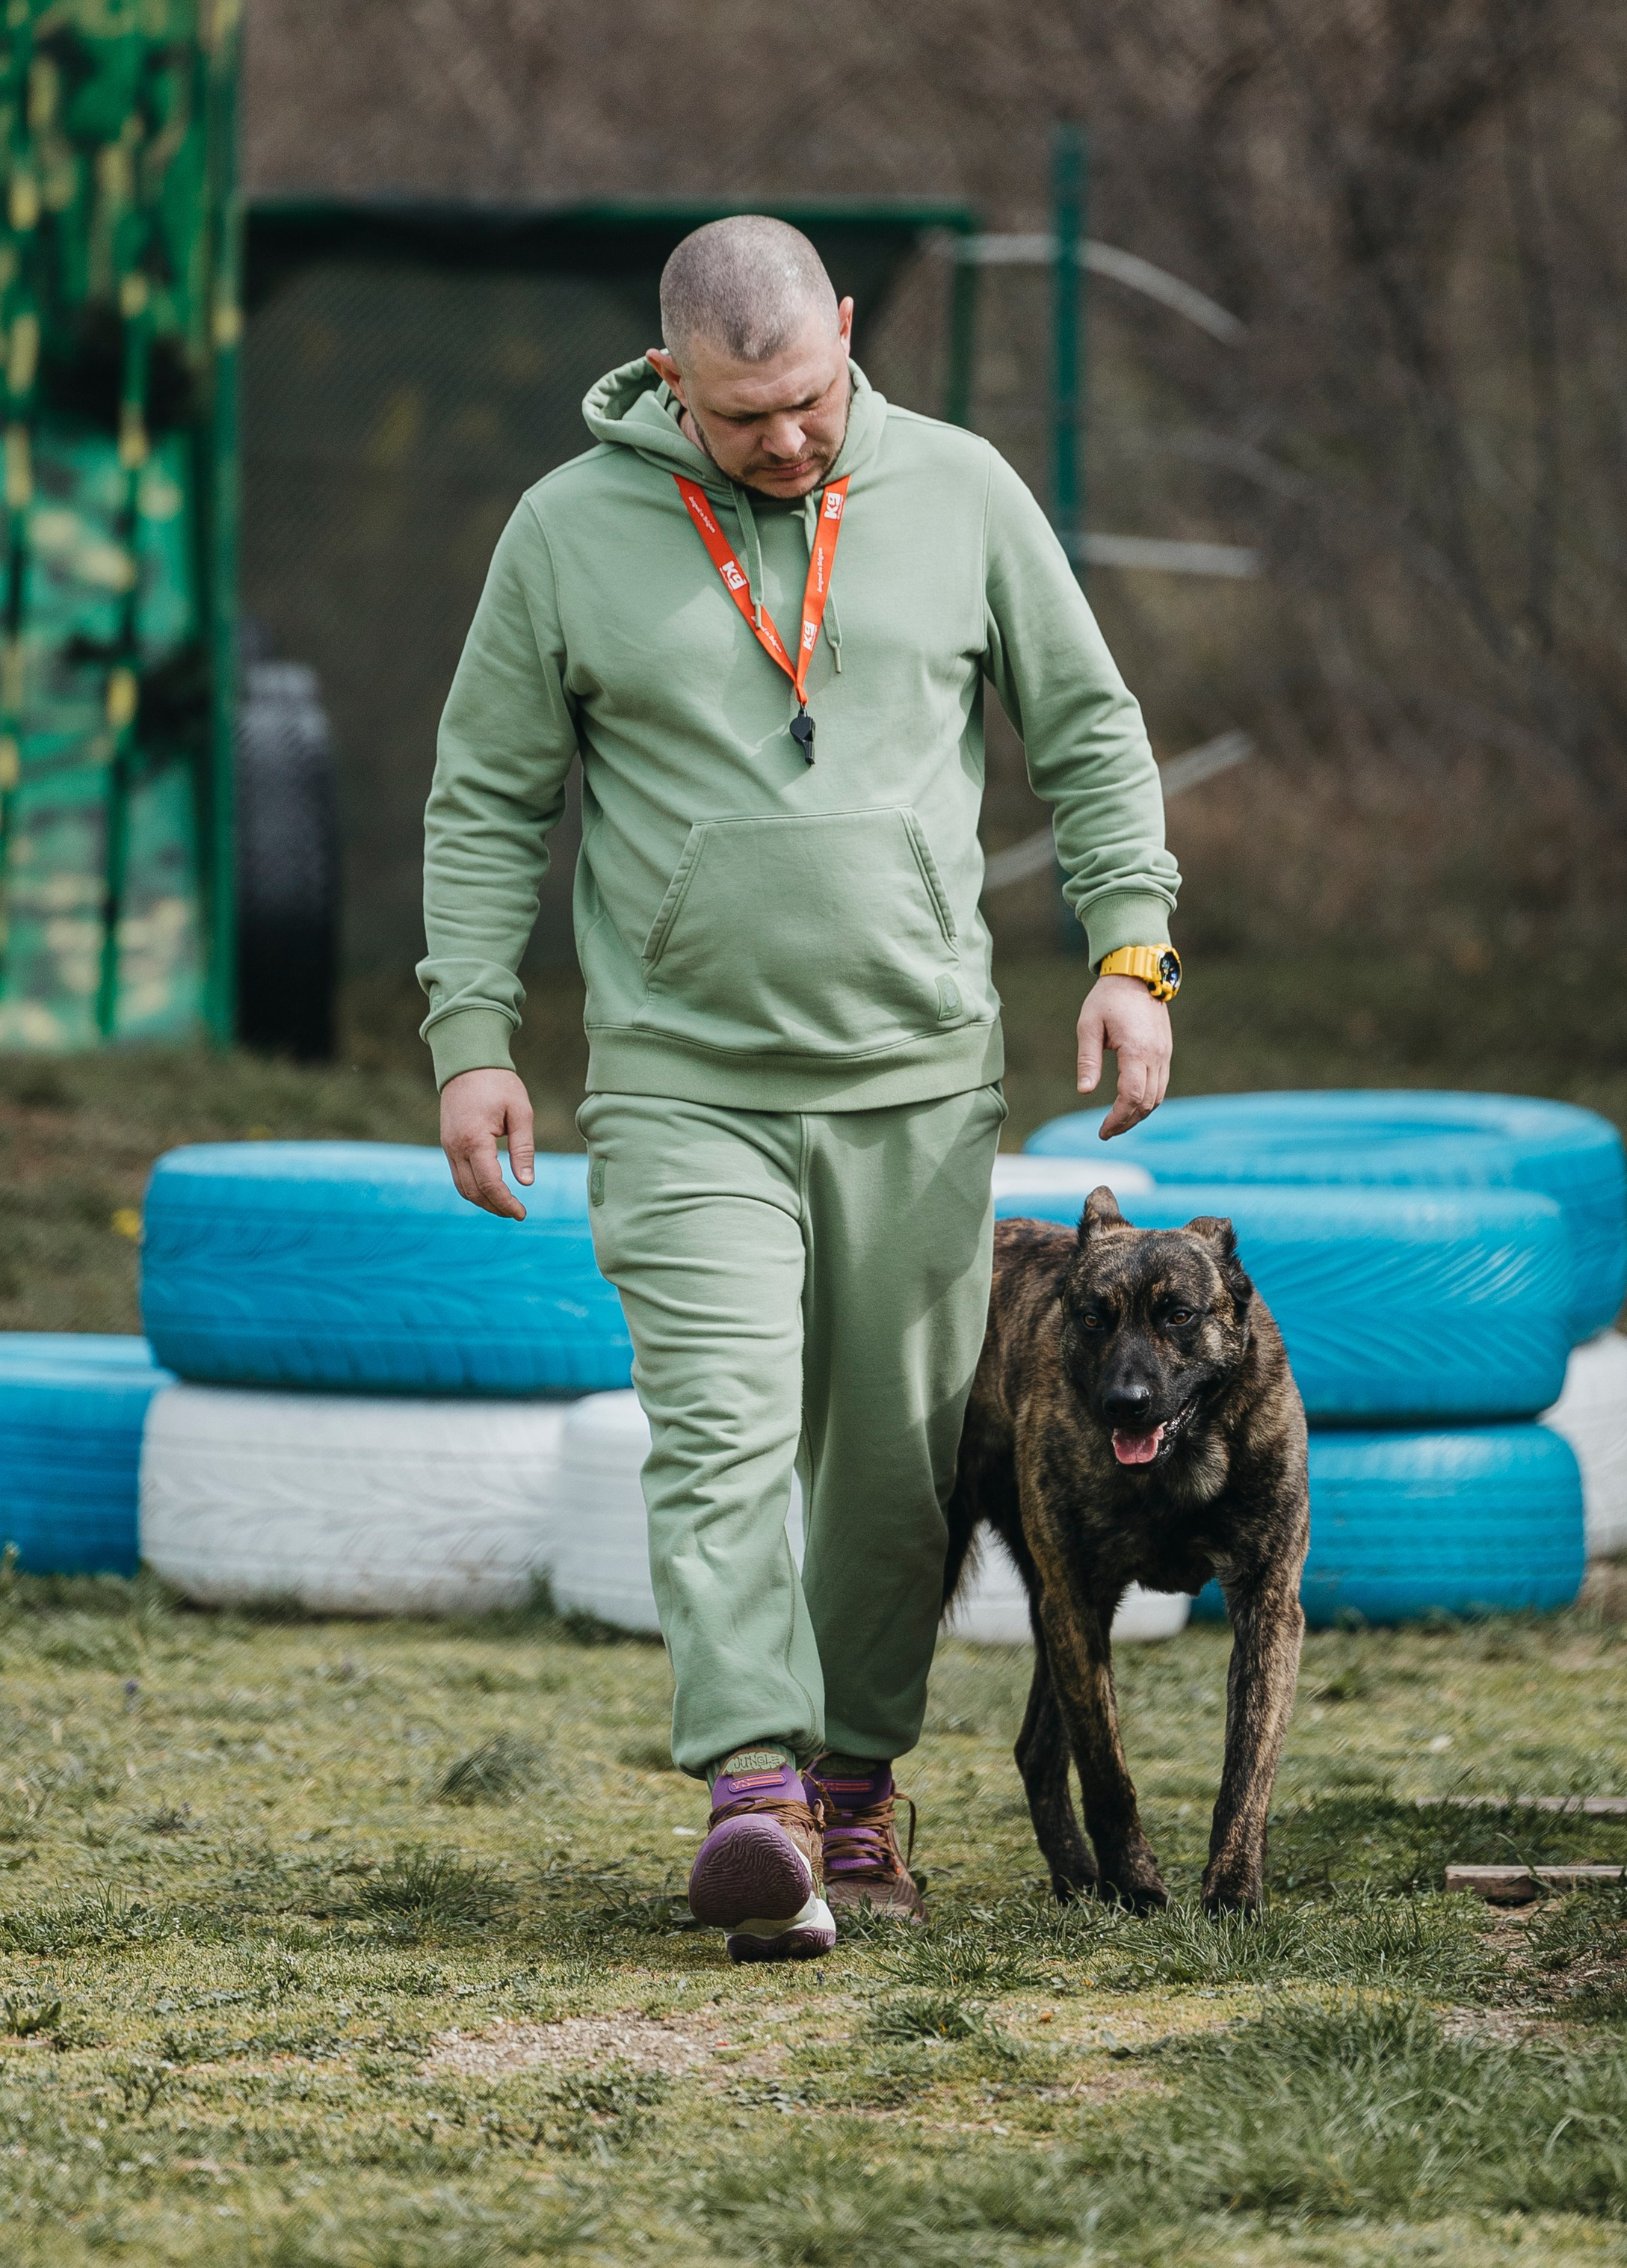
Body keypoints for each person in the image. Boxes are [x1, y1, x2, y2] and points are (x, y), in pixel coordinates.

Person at [422, 215, 1180, 1962]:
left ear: (846, 333)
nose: (784, 441)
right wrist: (471, 1037)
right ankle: (752, 1795)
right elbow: (483, 800)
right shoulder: (564, 534)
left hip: (916, 1079)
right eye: (744, 414)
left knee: (889, 1473)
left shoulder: (966, 491)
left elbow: (1085, 729)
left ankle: (855, 1792)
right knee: (717, 1428)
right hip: (684, 1083)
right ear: (667, 372)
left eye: (809, 399)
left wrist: (1130, 956)